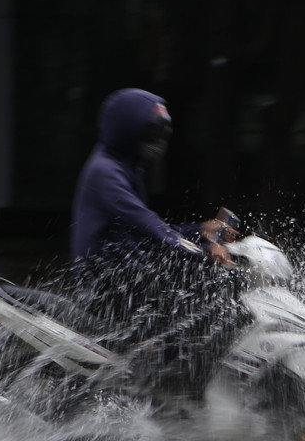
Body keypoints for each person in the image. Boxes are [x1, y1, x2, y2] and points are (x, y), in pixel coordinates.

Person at [69, 88, 237, 393]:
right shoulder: (106, 173)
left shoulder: (124, 165)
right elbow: (155, 230)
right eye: (151, 132)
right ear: (126, 129)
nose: (159, 142)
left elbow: (150, 230)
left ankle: (172, 378)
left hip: (127, 273)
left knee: (195, 299)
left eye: (162, 133)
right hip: (108, 285)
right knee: (198, 306)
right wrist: (205, 252)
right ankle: (175, 388)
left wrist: (200, 229)